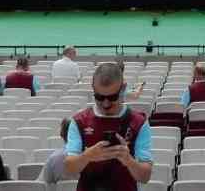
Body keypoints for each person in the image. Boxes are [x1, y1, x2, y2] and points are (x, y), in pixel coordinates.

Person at [64, 62, 153, 190]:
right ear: (93, 89)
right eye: (99, 97)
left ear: (123, 88)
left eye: (112, 97)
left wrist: (128, 160)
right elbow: (69, 168)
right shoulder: (79, 121)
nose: (106, 104)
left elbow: (145, 176)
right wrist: (87, 156)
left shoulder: (138, 122)